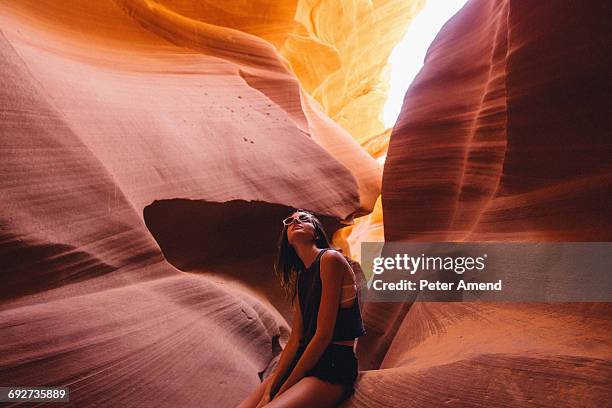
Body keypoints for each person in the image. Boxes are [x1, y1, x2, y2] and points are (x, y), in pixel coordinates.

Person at [237, 209, 366, 408]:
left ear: (316, 233)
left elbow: (323, 335)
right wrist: (271, 384)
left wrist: (282, 389)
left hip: (332, 364)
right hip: (303, 360)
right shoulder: (302, 277)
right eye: (290, 221)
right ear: (287, 239)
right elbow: (296, 339)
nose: (296, 221)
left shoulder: (330, 259)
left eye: (304, 219)